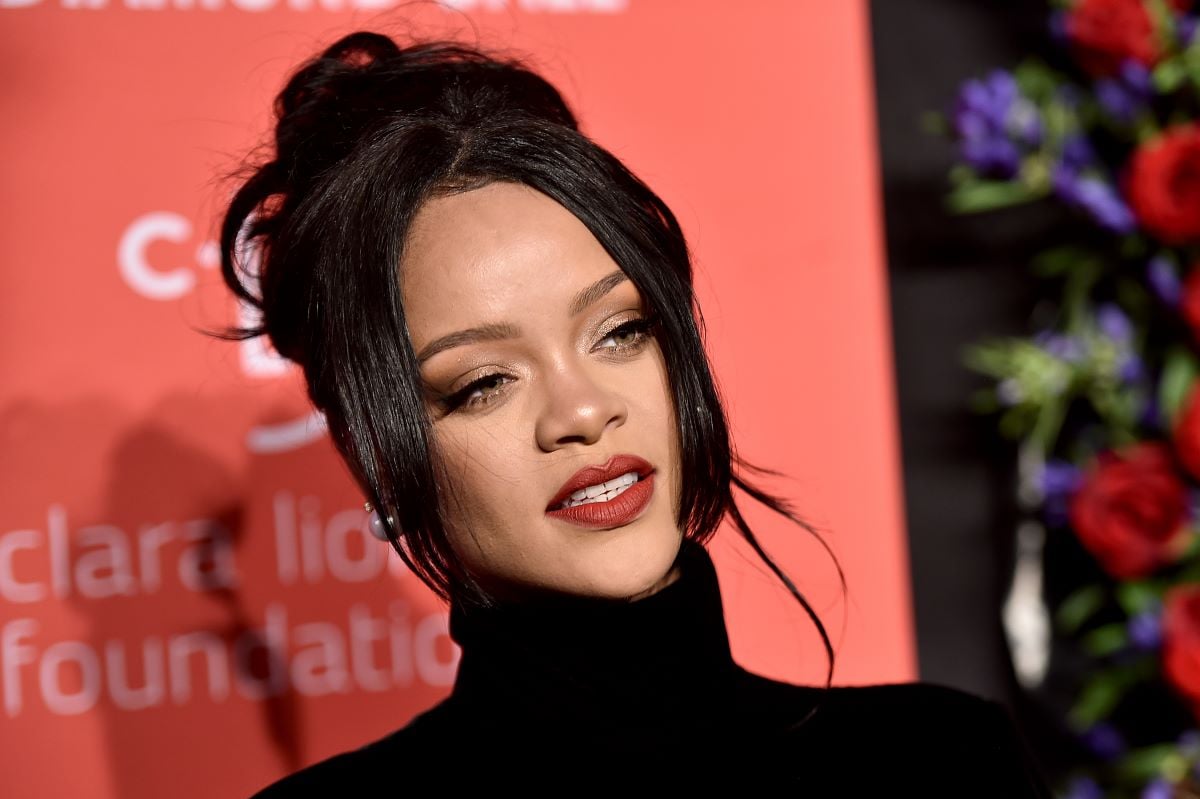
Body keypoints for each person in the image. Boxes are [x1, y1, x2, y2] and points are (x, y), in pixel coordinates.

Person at [216, 29, 1052, 796]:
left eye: (619, 332)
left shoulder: (944, 760)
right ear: (373, 451)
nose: (581, 411)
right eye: (483, 383)